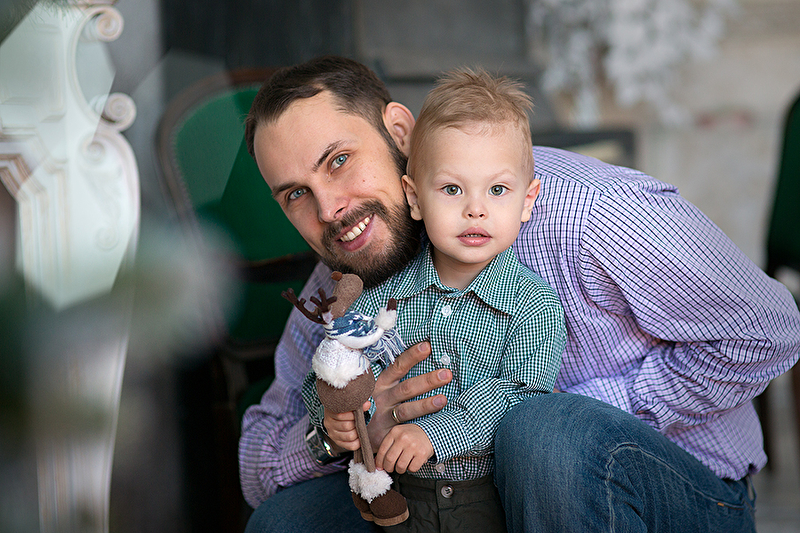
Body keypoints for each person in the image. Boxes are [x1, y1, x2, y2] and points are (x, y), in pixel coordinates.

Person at [239, 55, 800, 533]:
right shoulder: (346, 271)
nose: (330, 209)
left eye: (339, 161)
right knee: (285, 522)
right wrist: (338, 432)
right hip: (455, 498)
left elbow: (769, 329)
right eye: (296, 195)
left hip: (676, 492)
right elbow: (257, 460)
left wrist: (538, 415)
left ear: (400, 132)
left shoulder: (587, 214)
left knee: (546, 437)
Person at [301, 68, 566, 532]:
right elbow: (331, 365)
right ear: (415, 198)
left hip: (487, 498)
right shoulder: (382, 298)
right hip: (400, 496)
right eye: (451, 189)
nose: (475, 208)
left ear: (527, 200)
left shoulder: (534, 304)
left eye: (498, 190)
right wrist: (331, 415)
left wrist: (436, 433)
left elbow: (522, 397)